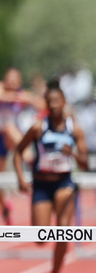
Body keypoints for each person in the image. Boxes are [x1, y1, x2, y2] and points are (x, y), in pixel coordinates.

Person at [13, 80, 88, 273]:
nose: (54, 105)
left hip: (64, 182)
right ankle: (52, 265)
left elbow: (85, 163)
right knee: (40, 237)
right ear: (46, 104)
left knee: (63, 231)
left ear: (64, 102)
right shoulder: (38, 127)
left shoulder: (74, 129)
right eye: (50, 101)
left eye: (57, 101)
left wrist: (71, 153)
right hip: (42, 184)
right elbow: (19, 152)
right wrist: (20, 178)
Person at [0, 67, 45, 224]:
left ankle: (31, 161)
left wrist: (31, 97)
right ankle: (4, 206)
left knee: (9, 128)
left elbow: (42, 104)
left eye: (15, 79)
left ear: (19, 81)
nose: (12, 81)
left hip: (11, 135)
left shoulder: (21, 94)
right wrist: (21, 97)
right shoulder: (2, 88)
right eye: (10, 78)